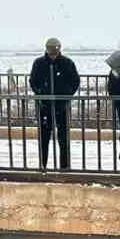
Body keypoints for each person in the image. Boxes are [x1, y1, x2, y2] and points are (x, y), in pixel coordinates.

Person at [29, 38, 80, 171]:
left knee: (63, 139)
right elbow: (33, 81)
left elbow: (75, 81)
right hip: (45, 107)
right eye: (50, 50)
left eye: (55, 50)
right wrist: (41, 93)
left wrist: (66, 95)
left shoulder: (67, 63)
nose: (53, 53)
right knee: (44, 139)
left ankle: (64, 167)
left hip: (62, 106)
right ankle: (43, 166)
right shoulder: (39, 63)